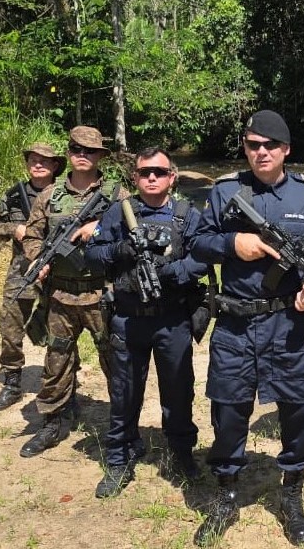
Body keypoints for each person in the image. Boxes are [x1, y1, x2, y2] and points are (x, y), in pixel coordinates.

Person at [189, 110, 304, 546]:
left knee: (297, 410)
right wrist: (232, 244)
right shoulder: (224, 192)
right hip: (236, 325)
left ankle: (291, 493)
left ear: (285, 150)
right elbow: (197, 243)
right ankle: (226, 493)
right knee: (229, 410)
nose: (261, 153)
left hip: (290, 324)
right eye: (253, 144)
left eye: (269, 146)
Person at [85, 147, 209, 498]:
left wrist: (173, 273)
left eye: (159, 171)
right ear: (135, 177)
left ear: (172, 176)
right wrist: (118, 251)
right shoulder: (117, 214)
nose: (151, 177)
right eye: (143, 172)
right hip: (128, 319)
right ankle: (118, 458)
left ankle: (182, 453)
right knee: (123, 393)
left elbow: (203, 258)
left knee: (178, 391)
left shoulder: (187, 215)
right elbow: (91, 255)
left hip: (172, 320)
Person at [20, 126, 124, 458]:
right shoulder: (49, 196)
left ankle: (122, 427)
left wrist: (102, 226)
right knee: (56, 360)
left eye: (90, 151)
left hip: (101, 295)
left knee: (116, 362)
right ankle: (52, 422)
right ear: (68, 153)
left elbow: (137, 233)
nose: (83, 155)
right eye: (76, 149)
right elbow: (33, 235)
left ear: (100, 157)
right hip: (60, 296)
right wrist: (39, 259)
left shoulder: (117, 195)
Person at [0, 143, 65, 412]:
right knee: (10, 322)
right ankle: (11, 382)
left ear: (55, 166)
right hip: (22, 270)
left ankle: (65, 388)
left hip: (60, 271)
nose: (38, 164)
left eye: (45, 161)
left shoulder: (65, 194)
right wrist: (15, 228)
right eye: (33, 160)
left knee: (62, 331)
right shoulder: (14, 195)